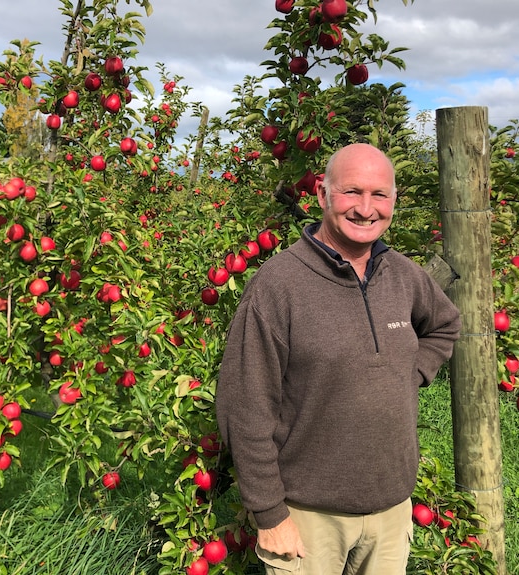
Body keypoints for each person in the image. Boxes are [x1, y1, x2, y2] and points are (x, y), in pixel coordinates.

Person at [215, 143, 461, 574]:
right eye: (351, 192)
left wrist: (411, 372)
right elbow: (245, 407)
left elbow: (445, 325)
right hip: (308, 517)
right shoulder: (279, 286)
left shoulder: (404, 275)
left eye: (379, 195)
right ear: (322, 196)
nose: (366, 209)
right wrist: (270, 514)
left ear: (394, 201)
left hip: (390, 509)